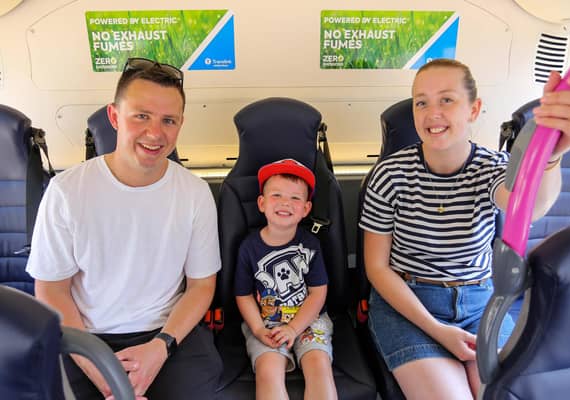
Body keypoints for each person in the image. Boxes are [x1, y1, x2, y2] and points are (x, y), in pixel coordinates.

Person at [359, 58, 570, 400]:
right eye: (421, 102)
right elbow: (377, 268)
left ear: (474, 109)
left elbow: (529, 206)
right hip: (410, 306)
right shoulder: (389, 175)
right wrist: (439, 331)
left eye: (447, 99)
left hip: (481, 304)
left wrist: (551, 153)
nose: (432, 113)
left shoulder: (490, 167)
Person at [26, 58, 223, 400]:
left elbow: (202, 285)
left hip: (169, 333)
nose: (155, 133)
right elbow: (51, 290)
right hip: (86, 338)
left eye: (168, 120)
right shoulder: (67, 191)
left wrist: (160, 347)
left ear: (180, 125)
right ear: (115, 117)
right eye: (141, 116)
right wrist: (102, 371)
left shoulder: (194, 192)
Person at [234, 158, 338, 400]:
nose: (285, 203)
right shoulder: (248, 248)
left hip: (309, 320)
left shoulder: (310, 245)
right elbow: (244, 295)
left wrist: (294, 328)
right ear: (261, 203)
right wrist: (258, 329)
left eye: (295, 198)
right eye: (276, 195)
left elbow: (317, 293)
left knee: (320, 367)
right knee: (268, 371)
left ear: (306, 209)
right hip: (265, 323)